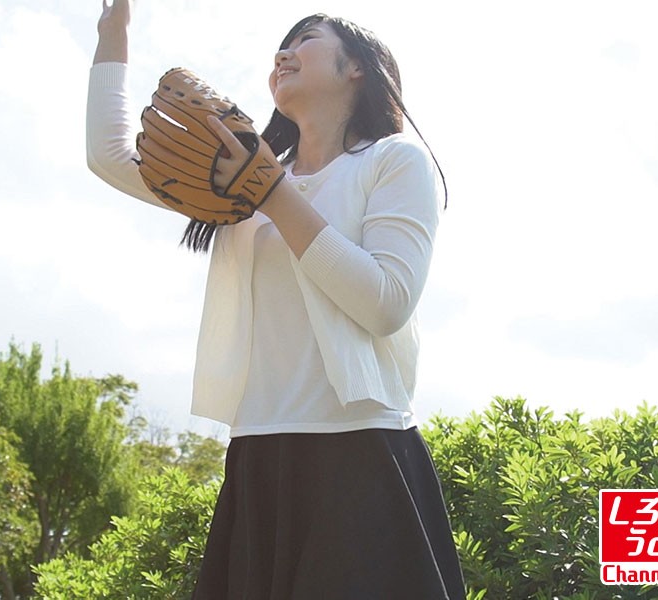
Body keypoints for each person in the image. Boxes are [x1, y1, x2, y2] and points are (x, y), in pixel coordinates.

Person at [88, 1, 466, 598]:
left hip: (361, 454)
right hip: (259, 453)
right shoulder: (238, 181)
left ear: (357, 68)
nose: (283, 53)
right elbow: (110, 157)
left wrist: (271, 191)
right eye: (281, 46)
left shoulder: (393, 160)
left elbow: (387, 303)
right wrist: (114, 31)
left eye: (306, 39)